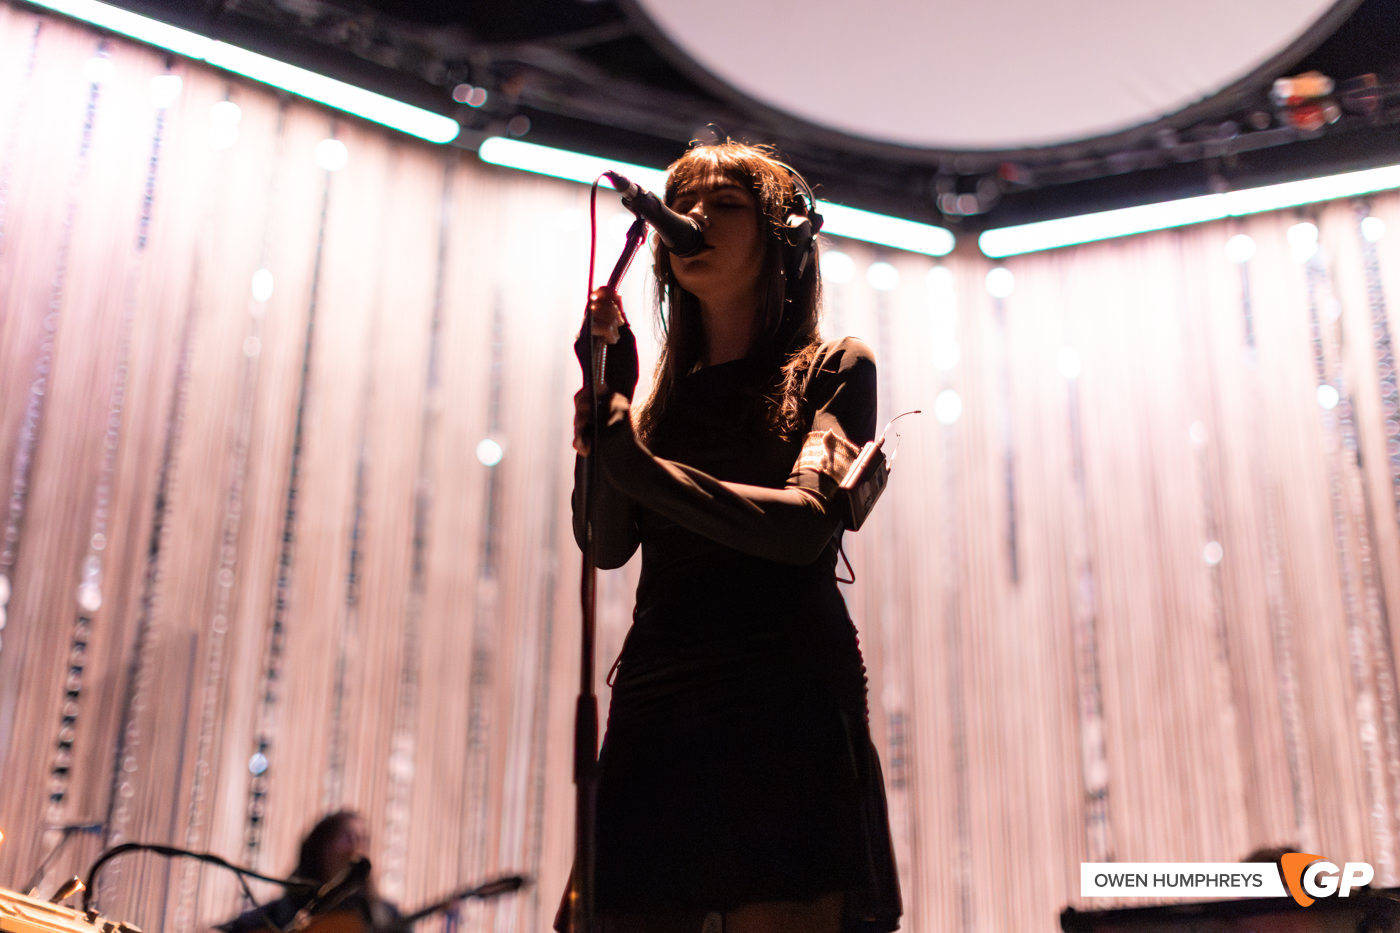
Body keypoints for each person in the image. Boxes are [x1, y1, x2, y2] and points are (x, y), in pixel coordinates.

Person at [562, 141, 902, 933]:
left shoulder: (834, 369)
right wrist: (607, 386)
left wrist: (639, 467)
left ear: (781, 238)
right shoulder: (655, 404)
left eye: (725, 204)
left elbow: (802, 528)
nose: (696, 217)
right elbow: (604, 543)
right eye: (685, 200)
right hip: (658, 704)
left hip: (784, 701)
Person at [217, 810, 407, 933]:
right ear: (322, 846)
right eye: (348, 837)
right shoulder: (293, 906)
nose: (356, 847)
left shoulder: (383, 915)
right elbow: (240, 927)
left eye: (362, 839)